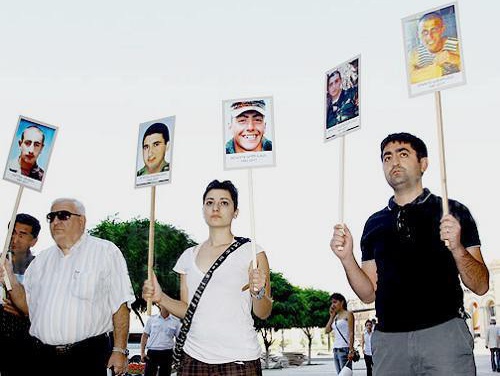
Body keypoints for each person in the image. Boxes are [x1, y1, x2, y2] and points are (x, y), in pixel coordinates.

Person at [330, 132, 489, 375]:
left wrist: (457, 247)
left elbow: (480, 285)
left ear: (423, 164)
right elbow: (367, 294)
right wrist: (347, 258)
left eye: (403, 154)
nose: (394, 162)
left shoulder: (452, 211)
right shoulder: (374, 223)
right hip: (390, 343)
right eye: (387, 157)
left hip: (444, 337)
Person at [142, 179, 272, 375]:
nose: (216, 208)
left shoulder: (252, 252)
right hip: (193, 358)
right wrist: (161, 298)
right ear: (203, 209)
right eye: (209, 202)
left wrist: (258, 292)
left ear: (235, 211)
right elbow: (187, 311)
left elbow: (263, 312)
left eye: (224, 203)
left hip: (239, 360)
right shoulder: (188, 256)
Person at [0, 198, 135, 376]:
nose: (56, 221)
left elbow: (120, 304)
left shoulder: (105, 252)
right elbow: (27, 306)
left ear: (82, 220)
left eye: (63, 215)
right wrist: (9, 277)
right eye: (52, 216)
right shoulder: (41, 261)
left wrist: (119, 350)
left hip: (86, 357)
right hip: (42, 358)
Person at [0, 214, 40, 376]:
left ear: (33, 240)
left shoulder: (40, 268)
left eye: (22, 234)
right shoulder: (1, 260)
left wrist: (24, 311)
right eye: (12, 232)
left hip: (25, 343)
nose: (15, 239)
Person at [409, 11, 461, 84]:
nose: (430, 37)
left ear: (442, 29)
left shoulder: (456, 44)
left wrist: (455, 58)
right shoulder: (415, 54)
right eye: (424, 32)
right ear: (418, 34)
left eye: (434, 30)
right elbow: (409, 80)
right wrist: (434, 68)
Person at [140, 305, 181, 376]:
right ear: (159, 305)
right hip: (153, 353)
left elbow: (179, 339)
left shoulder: (176, 321)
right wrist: (142, 353)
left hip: (167, 353)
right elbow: (145, 336)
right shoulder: (152, 319)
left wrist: (177, 354)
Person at [325, 293, 355, 374]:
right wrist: (331, 316)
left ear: (342, 302)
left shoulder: (348, 314)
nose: (332, 305)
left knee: (345, 374)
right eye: (332, 303)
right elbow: (327, 330)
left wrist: (351, 350)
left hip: (344, 349)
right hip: (336, 350)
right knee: (340, 374)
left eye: (335, 302)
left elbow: (351, 333)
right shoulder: (335, 317)